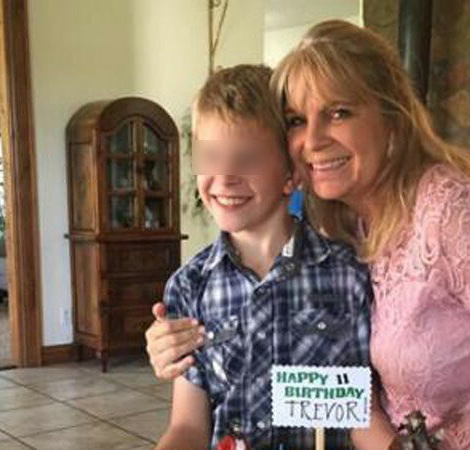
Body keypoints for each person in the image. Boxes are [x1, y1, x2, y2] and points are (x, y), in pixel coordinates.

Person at [147, 21, 470, 450]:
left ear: (392, 117)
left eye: (338, 112)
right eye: (296, 120)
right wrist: (174, 346)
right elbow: (347, 399)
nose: (313, 139)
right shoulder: (347, 227)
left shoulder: (457, 216)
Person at [151, 64, 372, 450]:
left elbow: (362, 417)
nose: (225, 176)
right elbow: (187, 427)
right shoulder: (189, 286)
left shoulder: (348, 275)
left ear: (292, 175)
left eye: (247, 158)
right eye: (210, 155)